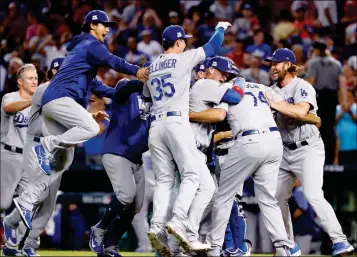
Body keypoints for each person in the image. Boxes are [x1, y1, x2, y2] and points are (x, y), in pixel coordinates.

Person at [143, 22, 232, 256]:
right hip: (175, 121)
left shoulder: (152, 66)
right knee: (192, 173)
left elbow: (145, 97)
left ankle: (157, 226)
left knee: (164, 180)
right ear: (179, 42)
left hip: (155, 125)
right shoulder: (183, 59)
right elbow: (212, 47)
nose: (186, 44)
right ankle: (179, 221)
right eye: (185, 41)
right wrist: (221, 29)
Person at [32, 10, 148, 176]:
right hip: (60, 99)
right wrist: (137, 71)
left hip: (54, 101)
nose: (107, 30)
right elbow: (114, 61)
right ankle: (47, 144)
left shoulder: (82, 53)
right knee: (91, 127)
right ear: (93, 25)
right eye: (104, 25)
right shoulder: (91, 45)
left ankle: (27, 200)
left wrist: (130, 88)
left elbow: (102, 89)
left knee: (60, 164)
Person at [3, 75, 116, 246]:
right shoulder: (46, 90)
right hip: (38, 145)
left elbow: (69, 119)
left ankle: (23, 241)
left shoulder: (70, 90)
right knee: (36, 197)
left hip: (61, 149)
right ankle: (16, 232)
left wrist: (88, 115)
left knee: (46, 203)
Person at [265, 48, 354, 256]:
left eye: (276, 63)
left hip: (308, 148)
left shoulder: (302, 86)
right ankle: (288, 245)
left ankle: (340, 240)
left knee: (313, 194)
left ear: (287, 64)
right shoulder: (270, 90)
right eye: (271, 63)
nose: (272, 67)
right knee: (275, 197)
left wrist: (274, 104)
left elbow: (300, 111)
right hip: (284, 150)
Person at [206, 76, 299, 256]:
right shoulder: (261, 86)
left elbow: (219, 115)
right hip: (274, 140)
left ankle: (215, 247)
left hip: (247, 140)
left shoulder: (228, 88)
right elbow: (286, 109)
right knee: (268, 199)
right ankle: (282, 247)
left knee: (224, 196)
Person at [89, 70, 152, 257]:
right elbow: (125, 88)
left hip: (136, 158)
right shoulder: (127, 86)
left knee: (136, 206)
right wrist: (144, 81)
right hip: (117, 151)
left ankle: (110, 245)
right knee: (126, 195)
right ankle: (99, 228)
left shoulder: (159, 100)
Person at [1, 63, 37, 256]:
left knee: (28, 203)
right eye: (30, 78)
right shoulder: (11, 97)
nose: (34, 81)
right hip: (9, 154)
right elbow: (8, 108)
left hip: (28, 158)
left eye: (36, 78)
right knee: (3, 204)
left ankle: (18, 246)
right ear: (20, 82)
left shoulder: (38, 102)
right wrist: (33, 101)